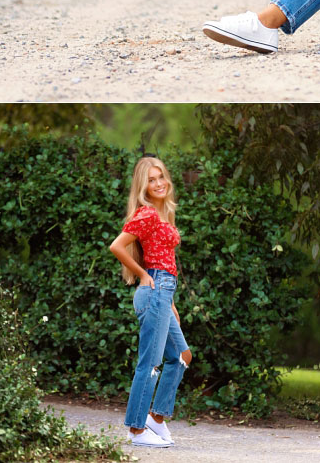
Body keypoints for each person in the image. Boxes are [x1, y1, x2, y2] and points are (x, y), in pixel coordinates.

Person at [109, 156, 192, 448]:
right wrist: (143, 274)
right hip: (154, 289)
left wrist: (170, 304)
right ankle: (135, 430)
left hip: (163, 293)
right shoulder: (146, 214)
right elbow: (117, 246)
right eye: (151, 180)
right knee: (150, 363)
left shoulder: (162, 214)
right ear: (143, 187)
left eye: (161, 177)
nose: (158, 183)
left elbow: (164, 260)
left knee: (182, 357)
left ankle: (155, 418)